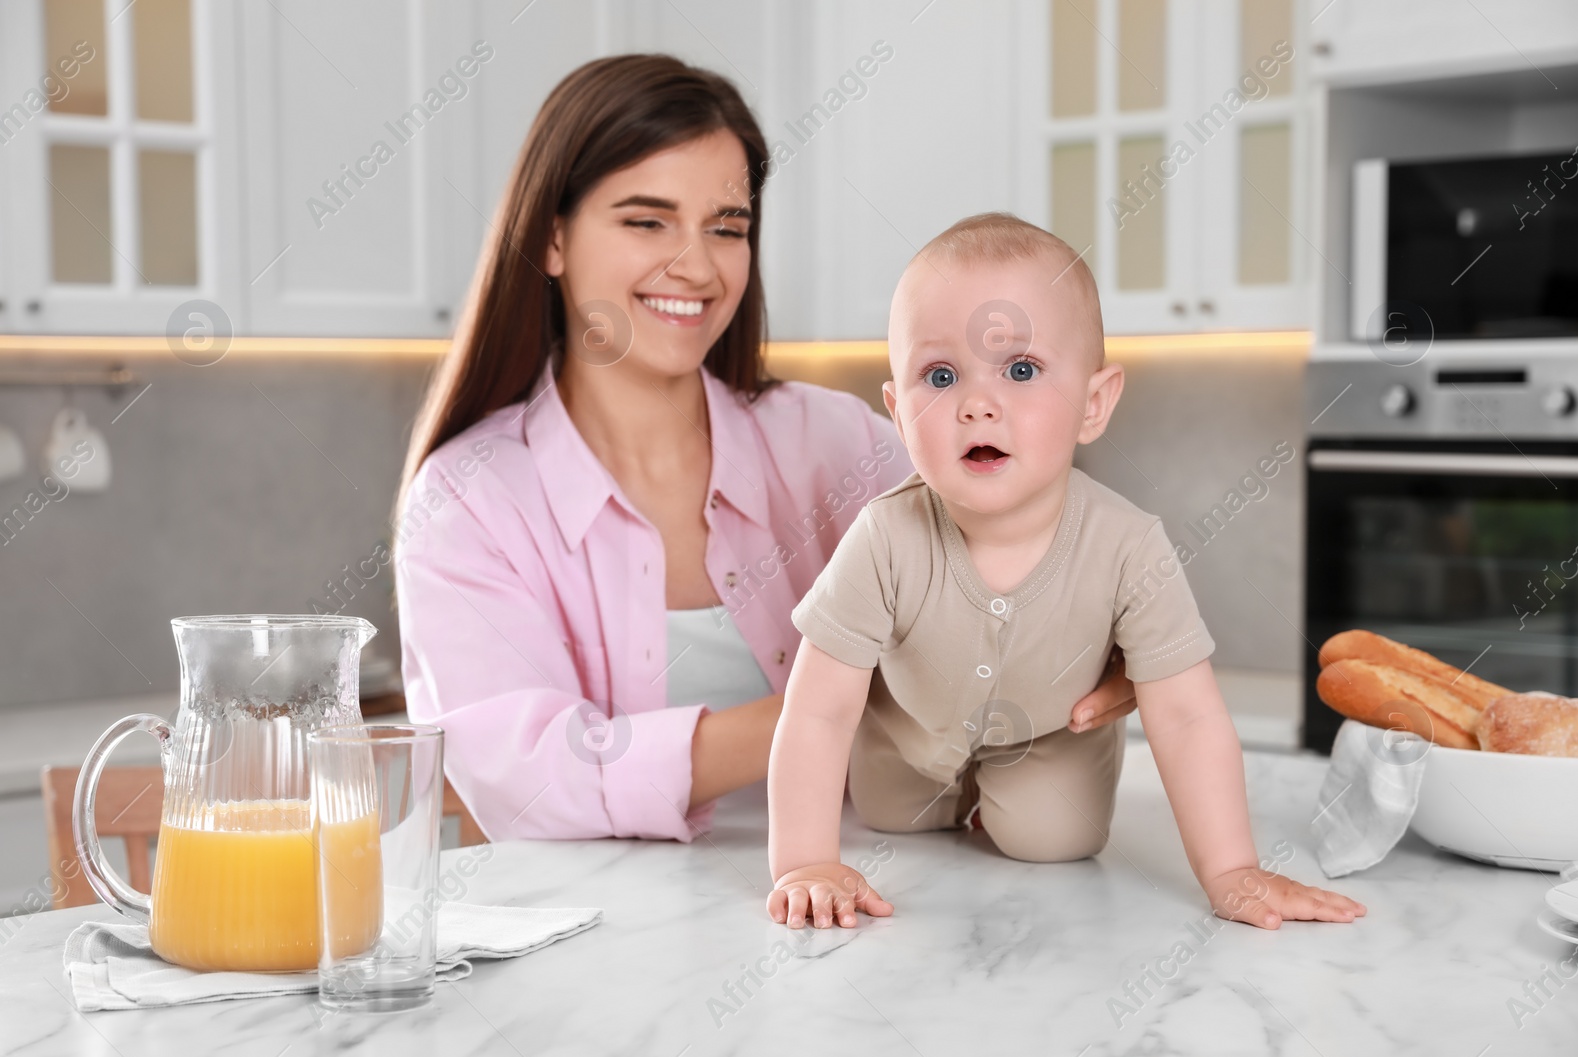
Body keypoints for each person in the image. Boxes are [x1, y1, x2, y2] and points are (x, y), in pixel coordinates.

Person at [393, 57, 1137, 843]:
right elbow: (524, 779)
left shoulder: (835, 442)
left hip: (869, 893)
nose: (697, 265)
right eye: (647, 221)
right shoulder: (467, 498)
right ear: (552, 238)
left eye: (728, 227)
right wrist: (826, 706)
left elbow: (1022, 549)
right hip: (610, 936)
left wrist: (1106, 640)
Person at [766, 213, 1368, 930]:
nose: (978, 402)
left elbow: (1188, 715)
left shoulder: (1131, 545)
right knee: (894, 813)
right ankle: (939, 787)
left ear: (1094, 403)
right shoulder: (883, 535)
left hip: (1049, 734)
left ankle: (1019, 787)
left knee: (1055, 840)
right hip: (908, 737)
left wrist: (1232, 868)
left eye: (1021, 370)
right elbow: (819, 708)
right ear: (897, 412)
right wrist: (804, 859)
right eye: (940, 374)